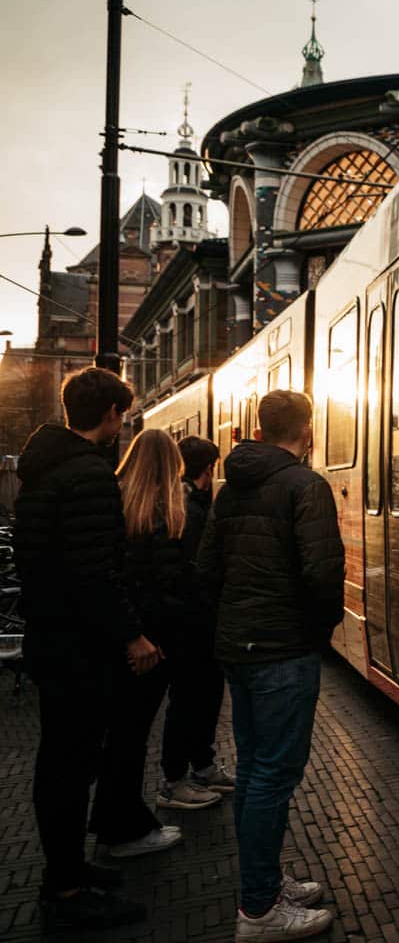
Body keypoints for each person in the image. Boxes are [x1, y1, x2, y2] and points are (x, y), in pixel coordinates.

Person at [197, 389, 345, 943]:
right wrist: (316, 634)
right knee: (271, 780)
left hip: (240, 649)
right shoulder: (307, 486)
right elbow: (323, 575)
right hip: (284, 652)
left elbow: (206, 571)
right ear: (305, 429)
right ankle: (259, 910)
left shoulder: (228, 490)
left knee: (257, 771)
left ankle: (264, 883)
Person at [13, 366, 156, 932]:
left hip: (51, 637)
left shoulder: (42, 471)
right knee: (71, 767)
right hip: (79, 647)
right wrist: (133, 635)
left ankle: (67, 871)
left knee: (62, 764)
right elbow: (96, 573)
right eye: (122, 414)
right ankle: (66, 891)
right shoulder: (88, 476)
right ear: (113, 415)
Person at [90, 429, 213, 853]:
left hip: (129, 636)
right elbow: (167, 583)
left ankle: (115, 821)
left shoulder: (120, 502)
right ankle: (123, 829)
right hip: (153, 641)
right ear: (169, 463)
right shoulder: (163, 512)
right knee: (131, 735)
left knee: (122, 735)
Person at [157, 435, 234, 810]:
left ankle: (202, 765)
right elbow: (194, 567)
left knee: (204, 695)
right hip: (193, 620)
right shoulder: (190, 507)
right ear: (208, 468)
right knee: (189, 698)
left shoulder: (191, 501)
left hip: (201, 617)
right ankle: (174, 780)